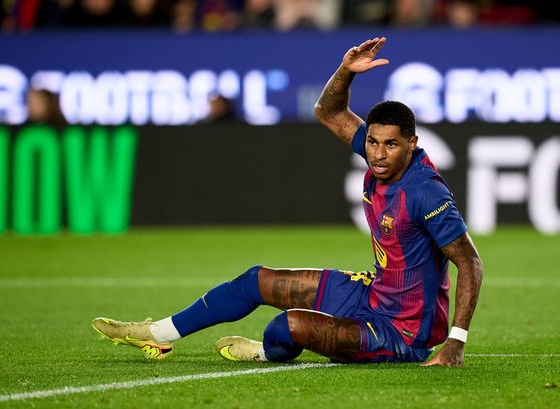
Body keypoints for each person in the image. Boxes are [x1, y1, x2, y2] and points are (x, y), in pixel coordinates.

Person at [92, 36, 483, 367]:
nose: (378, 154)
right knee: (256, 280)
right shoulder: (379, 156)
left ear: (411, 144)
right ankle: (158, 332)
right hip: (373, 293)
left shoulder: (425, 192)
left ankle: (265, 352)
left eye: (391, 145)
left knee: (287, 326)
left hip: (402, 331)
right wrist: (345, 71)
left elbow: (470, 262)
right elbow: (328, 111)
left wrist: (456, 342)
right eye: (372, 142)